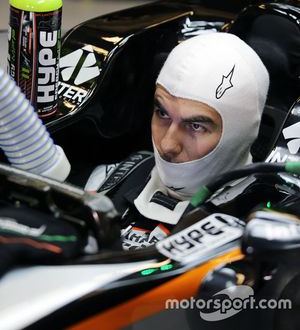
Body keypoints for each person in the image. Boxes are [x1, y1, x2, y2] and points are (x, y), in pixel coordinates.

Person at [84, 32, 270, 249]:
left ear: (238, 133)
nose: (167, 145)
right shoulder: (106, 182)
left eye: (196, 126)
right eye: (162, 114)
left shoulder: (265, 226)